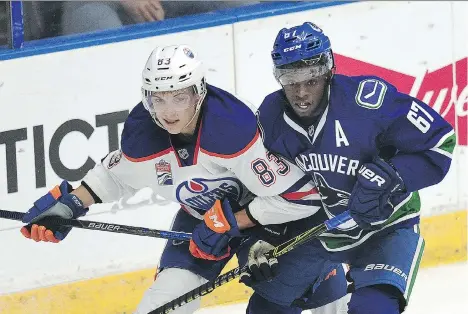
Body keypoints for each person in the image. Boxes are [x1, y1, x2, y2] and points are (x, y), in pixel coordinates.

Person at [19, 44, 348, 314]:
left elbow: (303, 197)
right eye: (158, 98)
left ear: (199, 92)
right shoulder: (143, 134)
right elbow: (113, 176)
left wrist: (234, 221)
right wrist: (70, 204)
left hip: (271, 222)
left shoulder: (235, 130)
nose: (168, 111)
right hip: (199, 223)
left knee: (324, 302)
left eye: (179, 96)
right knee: (158, 307)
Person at [240, 22, 455, 314]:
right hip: (318, 230)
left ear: (329, 70)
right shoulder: (270, 117)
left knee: (374, 308)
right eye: (291, 81)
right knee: (265, 309)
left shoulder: (368, 102)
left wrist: (391, 176)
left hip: (387, 225)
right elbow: (265, 187)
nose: (301, 92)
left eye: (311, 80)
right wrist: (261, 239)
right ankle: (326, 283)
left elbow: (441, 142)